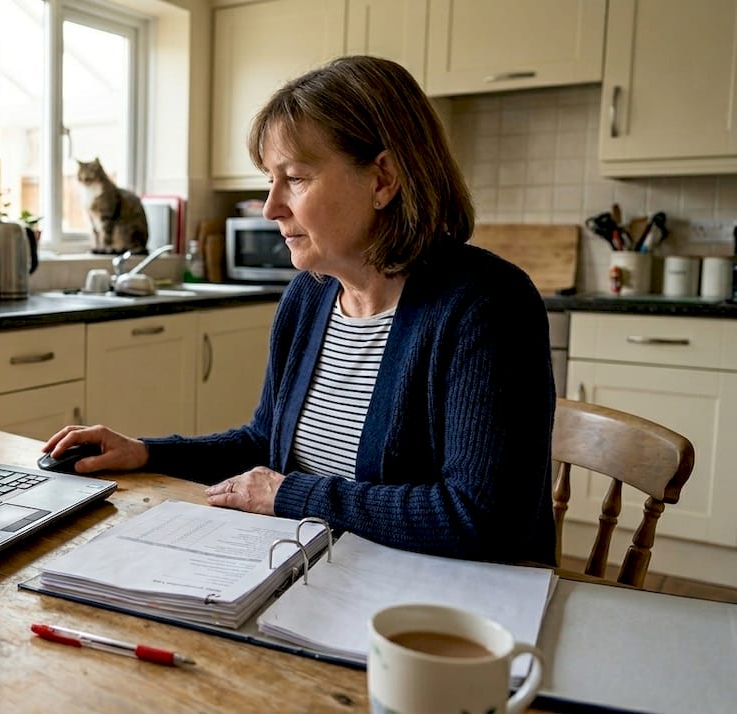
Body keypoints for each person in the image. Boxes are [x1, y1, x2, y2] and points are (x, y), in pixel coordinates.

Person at [41, 55, 556, 566]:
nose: (270, 207)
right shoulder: (310, 295)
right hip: (323, 573)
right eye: (270, 178)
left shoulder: (485, 305)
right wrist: (147, 453)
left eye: (296, 178)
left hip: (445, 615)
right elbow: (265, 442)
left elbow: (481, 518)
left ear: (383, 179)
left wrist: (289, 496)